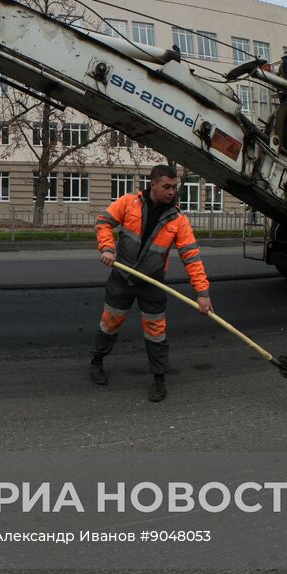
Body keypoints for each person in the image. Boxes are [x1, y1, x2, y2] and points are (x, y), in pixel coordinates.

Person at [89, 164, 213, 402]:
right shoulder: (127, 203)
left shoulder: (178, 219)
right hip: (122, 278)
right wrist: (107, 248)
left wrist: (203, 293)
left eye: (174, 187)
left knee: (156, 332)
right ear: (152, 184)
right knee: (109, 323)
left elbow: (192, 258)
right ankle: (97, 362)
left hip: (152, 283)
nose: (171, 192)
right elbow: (103, 222)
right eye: (166, 186)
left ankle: (159, 378)